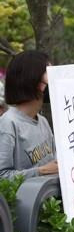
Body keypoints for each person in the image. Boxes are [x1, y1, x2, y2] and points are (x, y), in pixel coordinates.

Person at [0, 51, 58, 179]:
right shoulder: (8, 123)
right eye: (49, 74)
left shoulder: (42, 121)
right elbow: (2, 176)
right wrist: (41, 171)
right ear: (33, 78)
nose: (54, 80)